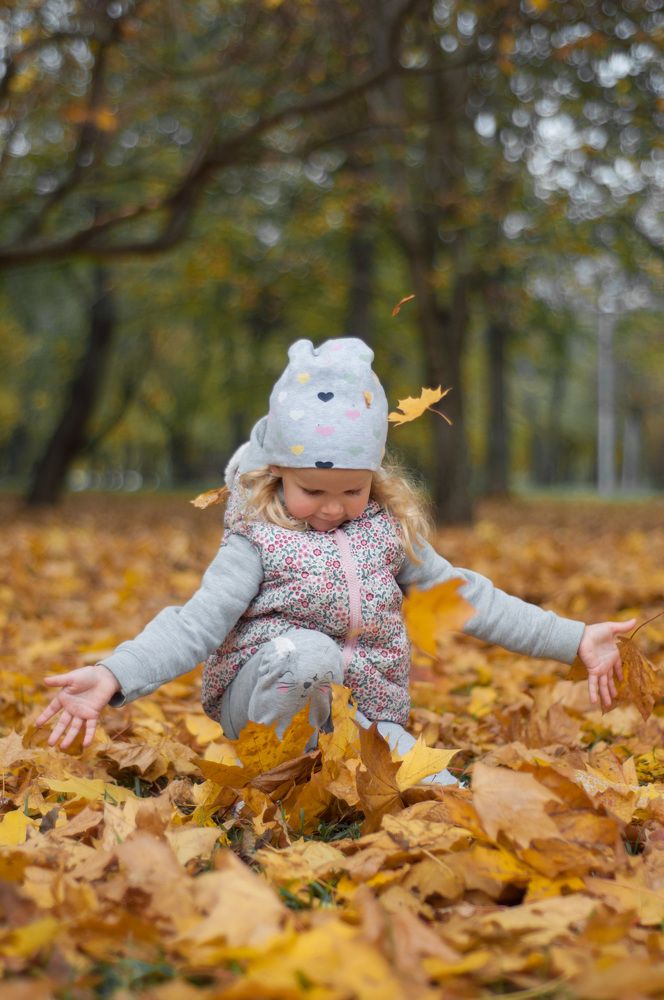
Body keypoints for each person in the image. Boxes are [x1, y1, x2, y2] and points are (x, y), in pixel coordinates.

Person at [36, 337, 634, 786]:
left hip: (366, 716)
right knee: (309, 653)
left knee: (442, 792)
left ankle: (348, 762)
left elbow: (466, 596)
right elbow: (195, 625)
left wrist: (574, 639)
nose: (333, 508)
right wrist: (114, 675)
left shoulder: (384, 531)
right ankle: (271, 782)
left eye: (352, 491)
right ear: (277, 474)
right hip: (267, 696)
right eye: (313, 491)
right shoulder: (257, 538)